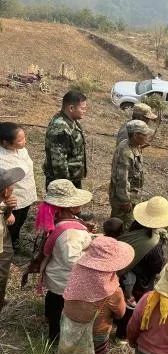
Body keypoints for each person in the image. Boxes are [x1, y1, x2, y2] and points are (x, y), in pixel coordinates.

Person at [59, 237, 134, 354]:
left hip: (69, 326)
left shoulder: (76, 273)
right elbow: (121, 314)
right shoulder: (112, 291)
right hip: (96, 335)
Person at [33, 180, 93, 341]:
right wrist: (91, 253)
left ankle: (48, 315)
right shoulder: (71, 234)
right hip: (64, 280)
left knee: (53, 300)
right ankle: (55, 337)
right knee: (59, 308)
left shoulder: (57, 219)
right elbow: (72, 260)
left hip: (55, 274)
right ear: (71, 206)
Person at [115, 196, 168, 340]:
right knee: (132, 308)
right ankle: (122, 335)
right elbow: (157, 267)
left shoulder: (135, 225)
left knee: (124, 301)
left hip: (127, 272)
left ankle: (118, 324)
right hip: (141, 281)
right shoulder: (154, 246)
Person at [109, 120, 153, 230]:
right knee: (121, 226)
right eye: (144, 135)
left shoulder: (132, 145)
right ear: (135, 135)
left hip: (131, 194)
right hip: (123, 197)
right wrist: (125, 200)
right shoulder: (126, 153)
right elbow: (121, 179)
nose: (147, 137)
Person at [0, 123, 37, 253]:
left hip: (27, 194)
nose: (24, 142)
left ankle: (14, 239)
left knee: (21, 220)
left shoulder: (22, 150)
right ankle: (7, 246)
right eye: (20, 140)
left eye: (24, 137)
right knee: (10, 223)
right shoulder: (2, 159)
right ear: (5, 143)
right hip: (13, 199)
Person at [43, 90, 88, 189]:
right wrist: (65, 187)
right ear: (71, 108)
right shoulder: (60, 128)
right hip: (62, 184)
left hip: (72, 179)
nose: (85, 111)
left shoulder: (71, 120)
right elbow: (59, 163)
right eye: (82, 108)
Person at [0, 167, 24, 312]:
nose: (14, 186)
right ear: (5, 191)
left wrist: (9, 210)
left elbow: (8, 219)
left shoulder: (3, 201)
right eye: (12, 185)